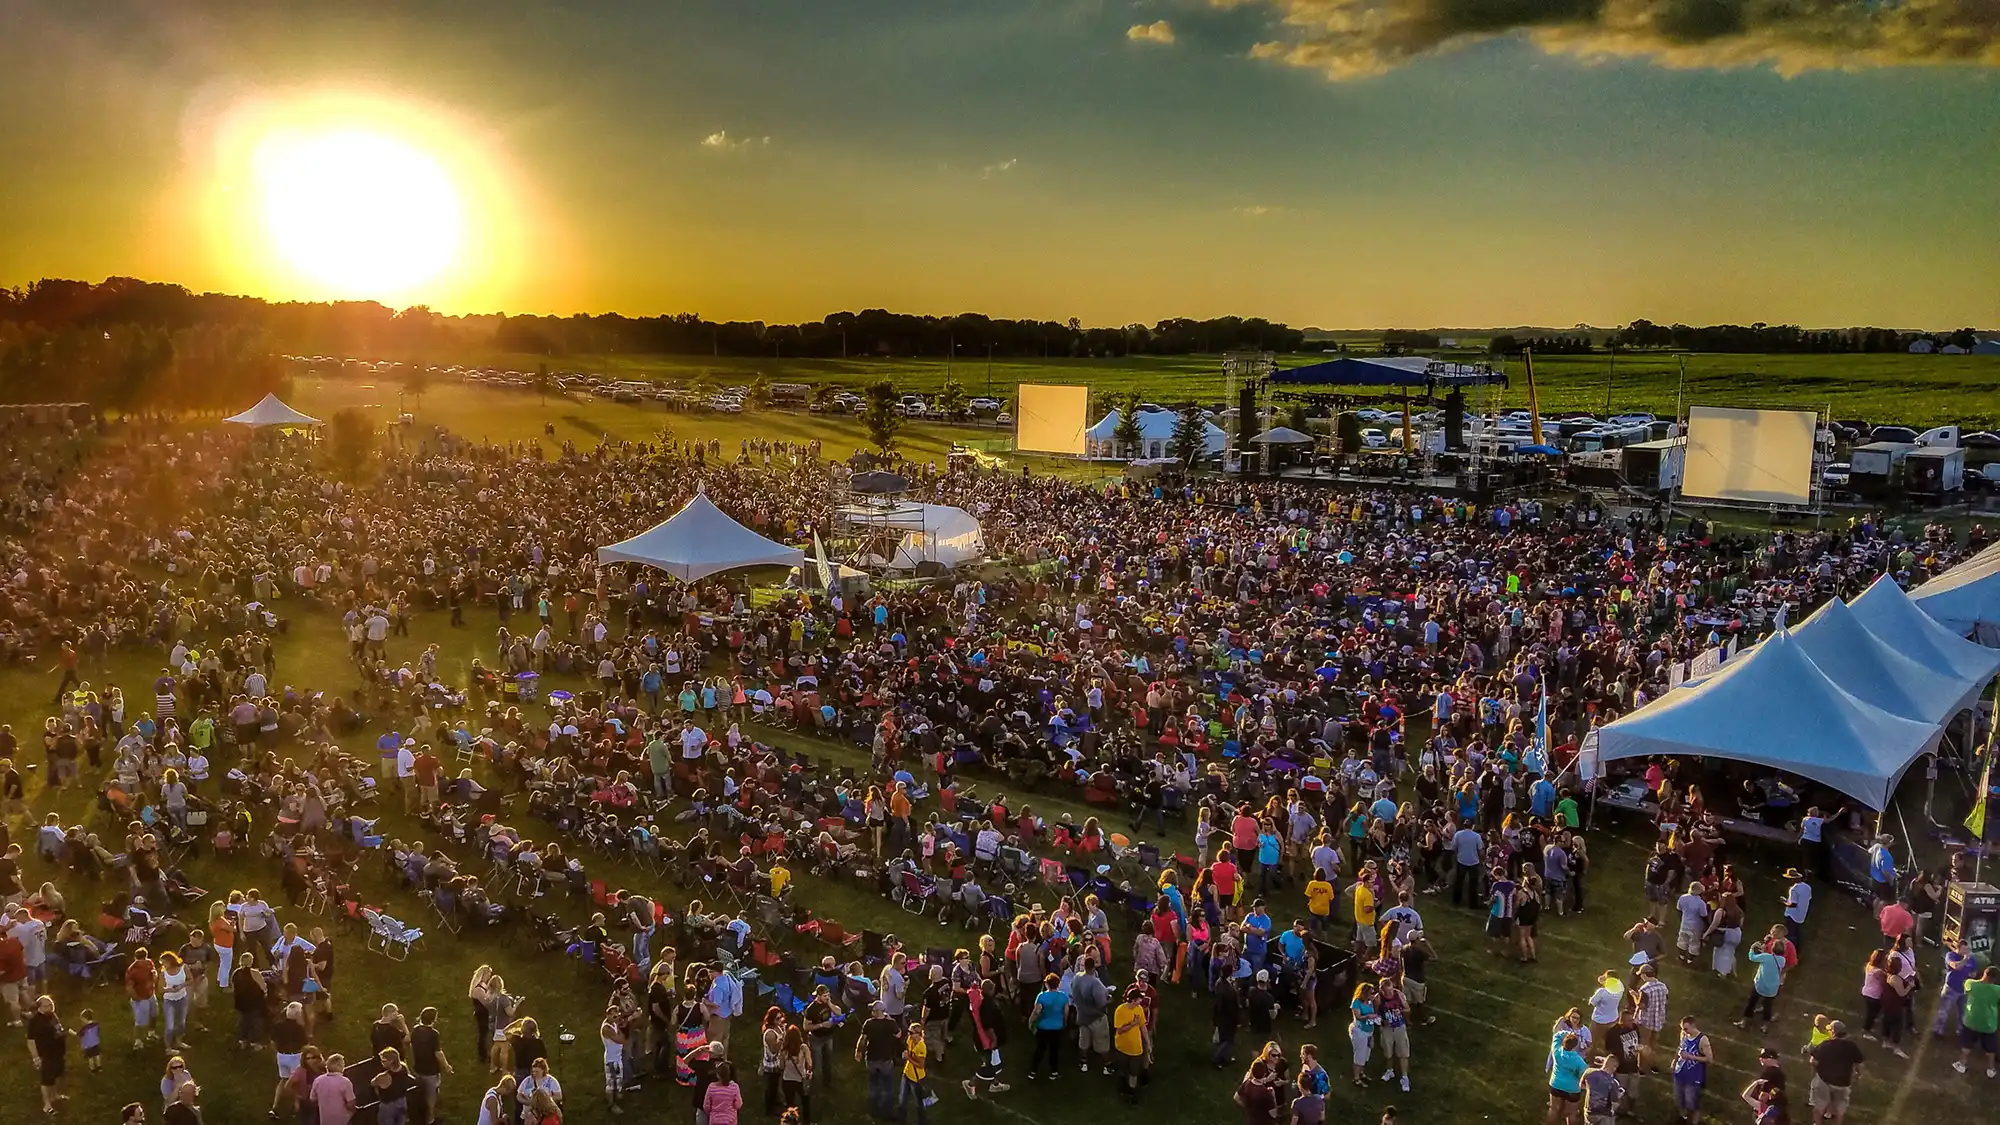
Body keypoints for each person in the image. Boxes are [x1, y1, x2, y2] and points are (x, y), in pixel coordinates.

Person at [1806, 1020, 1864, 1125]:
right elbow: (1859, 1063)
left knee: (1818, 1106)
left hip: (1824, 1080)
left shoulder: (1825, 1045)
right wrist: (1859, 1074)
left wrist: (1813, 1074)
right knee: (1840, 1110)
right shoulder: (1852, 1046)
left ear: (1833, 1032)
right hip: (1843, 1083)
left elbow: (1813, 1061)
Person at [26, 993, 70, 1115]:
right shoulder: (35, 1022)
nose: (50, 1007)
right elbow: (30, 1041)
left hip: (58, 1053)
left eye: (51, 1005)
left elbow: (57, 1029)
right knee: (46, 1079)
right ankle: (47, 1105)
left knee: (56, 1075)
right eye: (47, 1006)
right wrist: (36, 1058)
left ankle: (55, 1095)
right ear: (40, 1007)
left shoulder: (52, 1015)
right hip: (46, 1054)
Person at [1955, 966, 2000, 1078]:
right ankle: (1990, 1069)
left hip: (1971, 1021)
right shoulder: (1998, 990)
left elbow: (1966, 986)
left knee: (1966, 1046)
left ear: (1985, 973)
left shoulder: (1971, 984)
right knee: (1990, 1049)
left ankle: (1962, 1064)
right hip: (1989, 1024)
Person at [1669, 1015, 1711, 1125]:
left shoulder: (1702, 1039)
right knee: (1678, 1099)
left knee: (1691, 1102)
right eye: (1683, 1028)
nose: (1684, 1031)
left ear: (1693, 1026)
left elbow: (1709, 1059)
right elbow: (1680, 1047)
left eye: (1686, 1028)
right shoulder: (1684, 1034)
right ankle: (1683, 1117)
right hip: (1680, 1072)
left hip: (1694, 1076)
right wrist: (1675, 1059)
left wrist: (1691, 1057)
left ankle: (1693, 1121)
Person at [1112, 983, 1150, 1104]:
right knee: (1123, 1070)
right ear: (1133, 1000)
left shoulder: (1139, 1009)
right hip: (1122, 1047)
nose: (1141, 1001)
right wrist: (1133, 1024)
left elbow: (1143, 1027)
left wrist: (1148, 1044)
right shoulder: (1120, 1010)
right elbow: (1120, 1030)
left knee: (1133, 1072)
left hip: (1136, 1049)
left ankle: (1131, 1093)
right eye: (1139, 999)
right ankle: (1122, 1087)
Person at [1547, 1030, 1587, 1125]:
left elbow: (1556, 1036)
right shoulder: (1579, 1061)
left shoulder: (1556, 1051)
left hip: (1556, 1084)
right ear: (1575, 1046)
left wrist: (1567, 1032)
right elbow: (1582, 1076)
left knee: (1554, 1109)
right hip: (1572, 1089)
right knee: (1571, 1114)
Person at [311, 1053, 358, 1125]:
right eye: (343, 1064)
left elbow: (313, 1098)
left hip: (325, 1120)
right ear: (338, 1066)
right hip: (344, 1120)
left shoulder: (318, 1080)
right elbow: (350, 1104)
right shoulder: (345, 1082)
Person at [1580, 1053, 1624, 1125]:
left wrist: (1593, 1090)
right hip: (1604, 1114)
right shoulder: (1613, 1082)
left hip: (1589, 1111)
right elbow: (1615, 1101)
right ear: (1614, 1067)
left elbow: (1581, 1085)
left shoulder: (1589, 1072)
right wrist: (1619, 1095)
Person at [704, 1060, 744, 1125]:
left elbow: (706, 1106)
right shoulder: (734, 1087)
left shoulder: (711, 1087)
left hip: (715, 1120)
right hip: (730, 1120)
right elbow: (738, 1105)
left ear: (718, 1075)